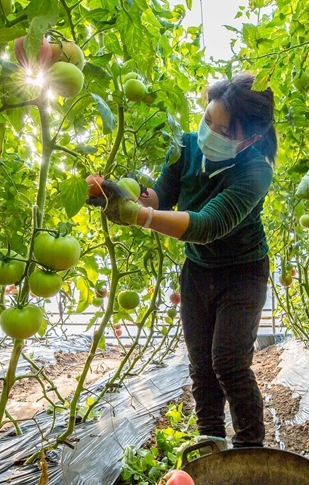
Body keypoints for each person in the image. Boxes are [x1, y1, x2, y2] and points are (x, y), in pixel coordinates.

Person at [87, 72, 277, 448]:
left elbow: (208, 225)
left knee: (229, 364)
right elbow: (161, 197)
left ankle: (251, 450)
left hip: (242, 274)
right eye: (208, 120)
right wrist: (130, 195)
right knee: (202, 368)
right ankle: (210, 443)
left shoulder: (257, 171)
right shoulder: (185, 148)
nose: (210, 132)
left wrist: (138, 217)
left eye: (224, 131)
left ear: (250, 140)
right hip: (197, 271)